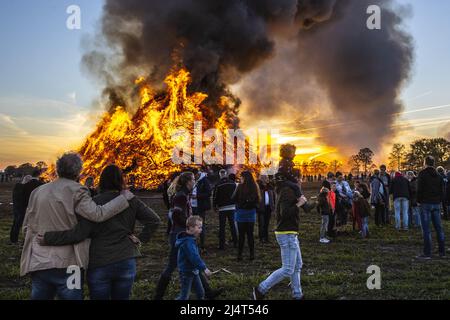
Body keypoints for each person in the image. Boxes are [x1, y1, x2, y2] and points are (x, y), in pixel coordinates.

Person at [20, 152, 135, 300]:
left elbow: (27, 226)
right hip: (69, 265)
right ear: (78, 171)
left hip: (39, 261)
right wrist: (122, 199)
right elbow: (97, 215)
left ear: (57, 169)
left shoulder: (38, 191)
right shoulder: (78, 190)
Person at [37, 164, 161, 300]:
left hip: (99, 262)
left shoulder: (92, 204)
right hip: (125, 260)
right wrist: (140, 238)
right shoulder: (131, 201)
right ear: (121, 180)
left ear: (101, 181)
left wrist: (48, 238)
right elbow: (154, 220)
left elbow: (79, 234)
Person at [154, 172, 222, 300]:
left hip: (182, 233)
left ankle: (207, 292)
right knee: (172, 265)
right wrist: (189, 225)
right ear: (187, 182)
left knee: (191, 262)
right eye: (192, 180)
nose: (194, 182)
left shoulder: (184, 195)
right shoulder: (181, 196)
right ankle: (158, 296)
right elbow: (175, 215)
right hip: (179, 235)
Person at [252, 172, 304, 300]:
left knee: (297, 265)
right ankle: (260, 290)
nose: (301, 181)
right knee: (287, 269)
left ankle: (297, 295)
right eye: (301, 178)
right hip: (286, 233)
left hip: (290, 232)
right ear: (296, 179)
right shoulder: (287, 191)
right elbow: (285, 213)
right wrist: (299, 203)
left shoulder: (288, 190)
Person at [175, 216, 212, 300]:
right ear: (191, 228)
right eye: (199, 227)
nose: (201, 229)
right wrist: (204, 268)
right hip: (186, 273)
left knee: (200, 292)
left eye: (201, 227)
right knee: (184, 296)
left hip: (194, 271)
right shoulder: (188, 242)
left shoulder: (191, 239)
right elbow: (194, 257)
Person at [416, 156, 446, 259]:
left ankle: (427, 254)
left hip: (425, 204)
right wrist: (440, 202)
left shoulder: (422, 174)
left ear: (425, 163)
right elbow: (443, 191)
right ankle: (442, 252)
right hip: (436, 204)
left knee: (426, 230)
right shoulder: (439, 175)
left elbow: (419, 189)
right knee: (439, 229)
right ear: (433, 163)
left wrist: (418, 201)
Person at [232, 170, 261, 261]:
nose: (240, 178)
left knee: (241, 235)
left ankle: (239, 255)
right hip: (250, 213)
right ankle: (251, 255)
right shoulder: (255, 187)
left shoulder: (240, 186)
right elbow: (257, 200)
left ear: (244, 177)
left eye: (241, 177)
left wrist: (240, 204)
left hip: (241, 213)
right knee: (250, 235)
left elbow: (233, 198)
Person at [212, 169, 237, 250]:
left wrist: (214, 206)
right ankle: (236, 243)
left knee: (222, 226)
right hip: (232, 207)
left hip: (222, 208)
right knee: (232, 225)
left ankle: (221, 245)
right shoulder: (232, 183)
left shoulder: (218, 184)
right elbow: (236, 194)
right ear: (226, 174)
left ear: (220, 175)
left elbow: (215, 196)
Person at [190, 168, 212, 251]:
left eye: (194, 176)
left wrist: (197, 196)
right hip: (192, 206)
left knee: (200, 225)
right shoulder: (194, 180)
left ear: (197, 174)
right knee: (192, 224)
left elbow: (209, 193)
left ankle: (202, 245)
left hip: (200, 207)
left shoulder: (204, 180)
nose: (193, 178)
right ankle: (193, 243)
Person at [9, 175, 32, 244]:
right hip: (21, 209)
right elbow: (24, 199)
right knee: (20, 224)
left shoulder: (17, 186)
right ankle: (16, 240)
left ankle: (13, 239)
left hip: (16, 207)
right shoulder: (23, 188)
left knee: (15, 224)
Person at [257, 175, 275, 244]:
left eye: (266, 178)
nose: (266, 179)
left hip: (268, 208)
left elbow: (273, 197)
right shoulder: (259, 187)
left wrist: (273, 206)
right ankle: (261, 239)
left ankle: (266, 238)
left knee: (266, 224)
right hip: (261, 208)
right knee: (261, 224)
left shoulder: (270, 187)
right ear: (261, 179)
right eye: (264, 178)